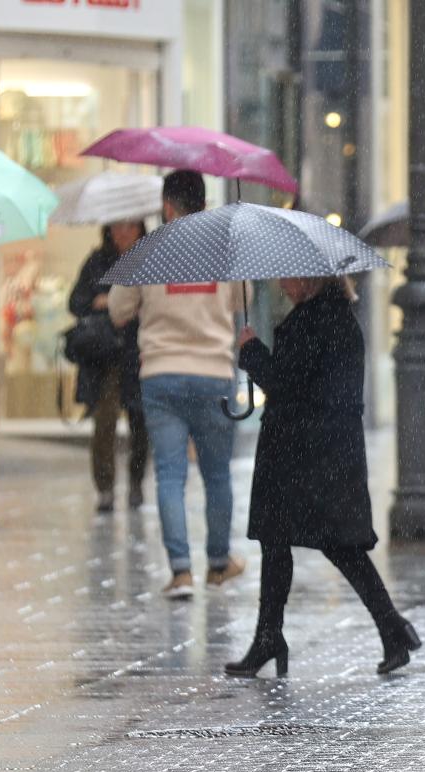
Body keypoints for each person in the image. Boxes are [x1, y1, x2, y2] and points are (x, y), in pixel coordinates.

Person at [225, 275, 421, 677]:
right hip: (316, 450)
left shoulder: (320, 320)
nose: (281, 285)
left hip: (309, 452)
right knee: (285, 541)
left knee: (333, 545)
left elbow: (286, 385)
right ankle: (271, 636)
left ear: (308, 279)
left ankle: (390, 627)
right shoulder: (330, 316)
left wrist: (252, 352)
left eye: (287, 277)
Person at [108, 170, 247, 599]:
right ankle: (219, 562)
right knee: (216, 473)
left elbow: (117, 310)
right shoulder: (226, 251)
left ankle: (182, 571)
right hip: (212, 374)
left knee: (169, 474)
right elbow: (243, 304)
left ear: (168, 207)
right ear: (204, 205)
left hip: (162, 376)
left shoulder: (148, 251)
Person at [68, 221, 150, 513]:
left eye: (129, 227)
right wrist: (100, 301)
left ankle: (136, 483)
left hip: (140, 353)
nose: (123, 233)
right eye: (117, 227)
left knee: (141, 423)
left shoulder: (149, 259)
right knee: (104, 422)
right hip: (105, 356)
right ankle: (105, 487)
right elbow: (75, 302)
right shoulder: (97, 261)